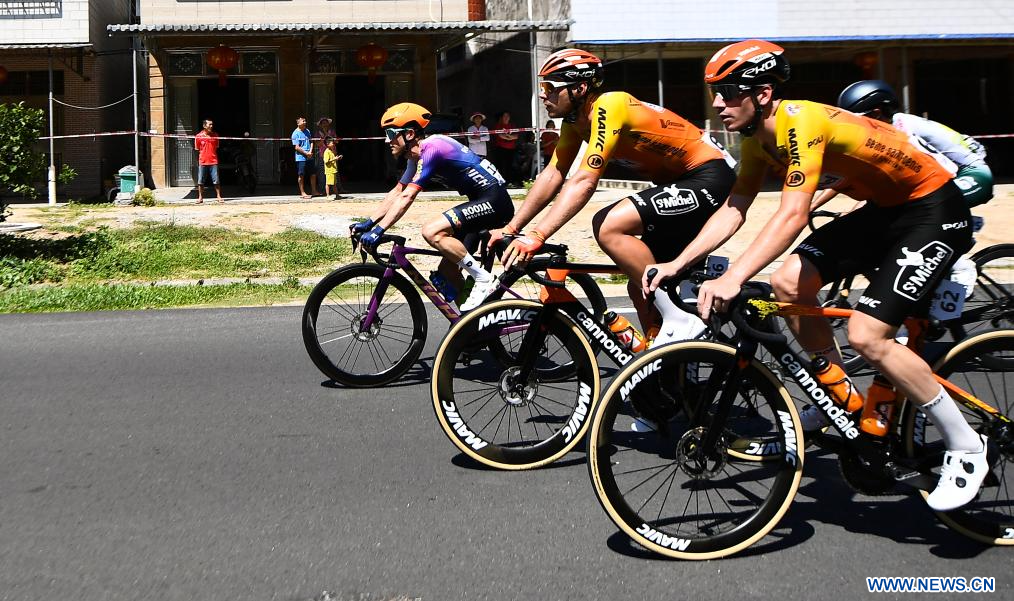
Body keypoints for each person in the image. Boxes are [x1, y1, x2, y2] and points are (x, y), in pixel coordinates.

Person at [642, 40, 989, 511]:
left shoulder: (800, 121)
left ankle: (966, 445)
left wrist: (735, 276)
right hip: (885, 211)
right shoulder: (755, 140)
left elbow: (790, 214)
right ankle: (839, 393)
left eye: (728, 92)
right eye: (715, 94)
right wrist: (679, 262)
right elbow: (734, 207)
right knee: (789, 284)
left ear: (762, 93)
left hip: (932, 209)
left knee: (869, 335)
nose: (718, 104)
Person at [498, 48, 737, 351]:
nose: (544, 95)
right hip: (681, 182)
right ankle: (663, 361)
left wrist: (537, 235)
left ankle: (678, 318)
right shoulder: (575, 122)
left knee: (609, 224)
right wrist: (512, 228)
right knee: (639, 286)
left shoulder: (609, 106)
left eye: (550, 88)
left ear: (580, 88)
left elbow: (585, 180)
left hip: (710, 175)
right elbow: (554, 174)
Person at [824, 80, 995, 297]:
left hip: (972, 175)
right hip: (942, 178)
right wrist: (812, 205)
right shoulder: (881, 132)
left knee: (915, 212)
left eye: (857, 119)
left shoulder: (904, 129)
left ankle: (959, 264)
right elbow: (852, 178)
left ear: (877, 113)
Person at [351, 102, 515, 312]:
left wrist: (379, 231)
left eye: (391, 133)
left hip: (494, 200)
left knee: (431, 231)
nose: (387, 140)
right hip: (480, 201)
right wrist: (369, 223)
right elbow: (398, 192)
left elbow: (409, 195)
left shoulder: (433, 148)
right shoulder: (416, 157)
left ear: (409, 134)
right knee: (447, 270)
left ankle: (483, 279)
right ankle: (473, 326)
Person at [194, 118, 224, 204]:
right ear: (204, 126)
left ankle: (218, 196)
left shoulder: (215, 135)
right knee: (200, 181)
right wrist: (199, 160)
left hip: (213, 161)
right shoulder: (198, 136)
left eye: (212, 124)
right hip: (202, 161)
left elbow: (216, 147)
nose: (211, 126)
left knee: (216, 180)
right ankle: (200, 198)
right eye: (209, 124)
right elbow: (197, 149)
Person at [490, 111, 519, 185]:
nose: (506, 118)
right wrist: (510, 137)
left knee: (510, 166)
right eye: (504, 116)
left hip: (511, 149)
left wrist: (507, 136)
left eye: (507, 116)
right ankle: (500, 181)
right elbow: (500, 135)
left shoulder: (512, 125)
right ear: (502, 118)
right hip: (501, 149)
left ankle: (509, 182)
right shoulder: (498, 125)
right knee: (501, 166)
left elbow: (516, 136)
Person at [313, 117, 337, 197]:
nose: (325, 124)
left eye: (326, 122)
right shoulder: (318, 133)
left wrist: (329, 137)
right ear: (320, 125)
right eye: (323, 123)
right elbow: (317, 144)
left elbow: (336, 141)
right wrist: (324, 139)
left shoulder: (332, 131)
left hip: (332, 153)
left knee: (334, 172)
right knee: (322, 173)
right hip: (322, 154)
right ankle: (323, 190)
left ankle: (336, 190)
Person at [291, 117, 313, 199]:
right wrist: (306, 153)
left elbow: (311, 141)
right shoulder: (295, 134)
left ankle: (314, 190)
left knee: (313, 173)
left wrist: (310, 151)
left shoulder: (308, 131)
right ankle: (302, 192)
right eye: (303, 121)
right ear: (298, 123)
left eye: (305, 121)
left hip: (310, 155)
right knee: (301, 174)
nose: (305, 122)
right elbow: (296, 147)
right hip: (301, 157)